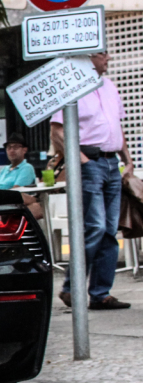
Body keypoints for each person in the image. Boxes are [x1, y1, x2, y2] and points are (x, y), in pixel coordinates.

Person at [49, 51, 136, 310]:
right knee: (95, 227)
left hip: (113, 163)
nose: (109, 57)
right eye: (102, 53)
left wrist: (128, 160)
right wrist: (82, 160)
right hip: (91, 163)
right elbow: (57, 131)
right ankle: (71, 288)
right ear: (88, 58)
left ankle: (100, 294)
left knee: (110, 231)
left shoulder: (109, 86)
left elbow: (116, 126)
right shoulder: (71, 85)